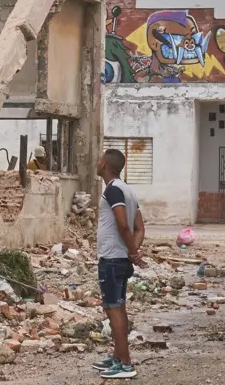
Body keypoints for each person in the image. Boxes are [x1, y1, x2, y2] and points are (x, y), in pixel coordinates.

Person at [91, 148, 145, 379]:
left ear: (103, 164)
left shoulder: (113, 191)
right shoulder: (128, 191)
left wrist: (133, 252)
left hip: (112, 260)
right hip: (119, 258)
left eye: (98, 159)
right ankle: (117, 357)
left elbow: (124, 225)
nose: (97, 162)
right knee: (117, 308)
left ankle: (125, 364)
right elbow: (139, 228)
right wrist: (133, 252)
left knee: (114, 311)